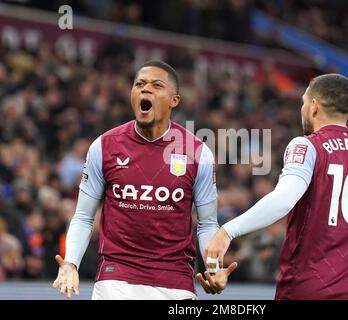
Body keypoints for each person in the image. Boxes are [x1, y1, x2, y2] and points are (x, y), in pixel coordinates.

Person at [198, 74, 348, 299]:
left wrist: (227, 231)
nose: (302, 109)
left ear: (313, 106)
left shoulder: (307, 145)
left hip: (306, 289)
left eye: (303, 102)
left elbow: (284, 200)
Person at [52, 60, 233, 299]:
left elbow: (207, 223)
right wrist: (70, 263)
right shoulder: (104, 146)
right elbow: (84, 217)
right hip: (115, 278)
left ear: (174, 100)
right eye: (140, 84)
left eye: (157, 85)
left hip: (175, 282)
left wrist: (213, 269)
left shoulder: (197, 153)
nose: (146, 89)